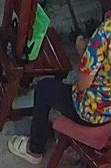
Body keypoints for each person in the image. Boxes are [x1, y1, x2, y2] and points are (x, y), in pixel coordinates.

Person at [9, 19, 111, 164]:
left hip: (92, 112)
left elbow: (83, 84)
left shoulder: (107, 31)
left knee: (43, 88)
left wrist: (82, 50)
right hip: (108, 114)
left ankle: (34, 149)